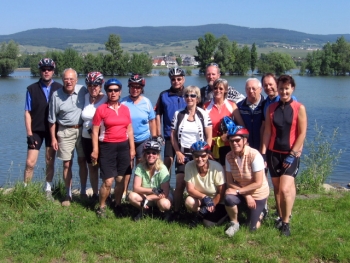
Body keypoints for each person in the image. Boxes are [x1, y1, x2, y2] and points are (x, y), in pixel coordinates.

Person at [261, 75, 307, 236]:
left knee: (286, 188)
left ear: (292, 89)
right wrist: (263, 153)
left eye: (286, 88)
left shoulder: (299, 108)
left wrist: (293, 154)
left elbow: (302, 133)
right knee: (278, 189)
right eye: (281, 88)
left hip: (290, 154)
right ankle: (280, 217)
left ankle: (286, 223)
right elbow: (267, 132)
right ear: (278, 89)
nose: (283, 91)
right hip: (273, 154)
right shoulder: (271, 108)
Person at [91, 78, 135, 218]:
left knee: (121, 179)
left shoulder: (125, 109)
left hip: (123, 147)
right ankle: (102, 206)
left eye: (116, 90)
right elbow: (95, 131)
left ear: (120, 92)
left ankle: (117, 204)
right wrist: (95, 150)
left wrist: (132, 149)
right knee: (108, 181)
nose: (113, 93)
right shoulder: (101, 109)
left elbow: (129, 130)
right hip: (107, 147)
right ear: (106, 92)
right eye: (110, 90)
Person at [171, 85, 212, 219]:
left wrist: (206, 153)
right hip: (183, 154)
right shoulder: (178, 114)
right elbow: (173, 135)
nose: (189, 98)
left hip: (199, 154)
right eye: (187, 95)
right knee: (180, 183)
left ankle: (199, 211)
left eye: (193, 95)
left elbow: (209, 136)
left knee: (198, 184)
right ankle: (176, 212)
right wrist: (177, 152)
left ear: (198, 98)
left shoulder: (203, 114)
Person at [24, 58, 62, 200]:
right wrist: (29, 134)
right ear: (40, 71)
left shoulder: (59, 87)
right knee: (30, 162)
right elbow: (27, 112)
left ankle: (47, 189)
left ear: (53, 71)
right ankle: (26, 190)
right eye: (44, 69)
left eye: (49, 69)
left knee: (49, 160)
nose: (46, 72)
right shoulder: (31, 89)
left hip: (53, 131)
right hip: (36, 131)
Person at [48, 68, 88, 206]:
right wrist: (53, 138)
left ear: (76, 80)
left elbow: (96, 96)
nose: (69, 81)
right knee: (66, 164)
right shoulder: (56, 95)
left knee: (83, 161)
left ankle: (83, 192)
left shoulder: (83, 90)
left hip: (82, 131)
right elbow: (52, 120)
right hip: (64, 132)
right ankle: (68, 194)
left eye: (71, 79)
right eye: (66, 79)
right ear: (62, 80)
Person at [224, 126, 269, 237]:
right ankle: (234, 223)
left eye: (237, 140)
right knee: (228, 197)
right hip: (242, 191)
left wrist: (240, 192)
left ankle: (262, 211)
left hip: (258, 193)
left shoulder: (255, 155)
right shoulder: (228, 156)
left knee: (252, 229)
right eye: (231, 141)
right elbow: (230, 182)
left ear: (245, 140)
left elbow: (258, 183)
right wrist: (247, 195)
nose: (234, 143)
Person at [120, 74, 157, 198]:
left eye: (138, 87)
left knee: (141, 166)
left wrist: (155, 138)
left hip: (143, 139)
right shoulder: (123, 102)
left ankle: (140, 192)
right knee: (127, 166)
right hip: (126, 139)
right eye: (132, 86)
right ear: (129, 87)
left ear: (142, 88)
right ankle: (124, 192)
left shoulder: (146, 102)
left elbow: (152, 121)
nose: (135, 89)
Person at [203, 78, 244, 167]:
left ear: (225, 90)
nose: (218, 90)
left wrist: (229, 135)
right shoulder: (206, 106)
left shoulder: (232, 105)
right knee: (212, 174)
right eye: (215, 88)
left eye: (221, 88)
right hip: (211, 145)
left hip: (227, 144)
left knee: (226, 174)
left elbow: (241, 126)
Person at [184, 141, 227, 227]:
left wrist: (212, 204)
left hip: (217, 200)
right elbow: (190, 189)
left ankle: (226, 215)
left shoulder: (216, 167)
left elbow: (221, 192)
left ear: (208, 155)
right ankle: (200, 214)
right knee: (189, 201)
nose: (200, 159)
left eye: (203, 156)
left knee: (209, 224)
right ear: (192, 156)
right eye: (196, 156)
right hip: (202, 199)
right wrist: (205, 197)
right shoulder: (189, 165)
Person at [128, 139, 172, 221]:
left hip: (159, 197)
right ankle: (145, 211)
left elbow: (165, 193)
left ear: (158, 155)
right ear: (144, 154)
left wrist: (148, 198)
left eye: (154, 153)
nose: (150, 155)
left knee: (165, 204)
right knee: (131, 196)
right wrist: (153, 190)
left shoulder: (163, 169)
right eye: (148, 152)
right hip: (149, 195)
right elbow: (136, 188)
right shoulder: (140, 167)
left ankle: (164, 212)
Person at [81, 72, 107, 202]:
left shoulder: (106, 99)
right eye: (90, 85)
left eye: (96, 85)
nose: (93, 87)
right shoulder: (84, 97)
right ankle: (95, 193)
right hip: (86, 138)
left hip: (101, 138)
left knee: (104, 167)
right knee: (92, 167)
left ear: (101, 85)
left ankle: (105, 194)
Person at [155, 67, 187, 171]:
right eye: (173, 79)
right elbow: (158, 114)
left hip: (186, 135)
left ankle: (183, 186)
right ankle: (164, 186)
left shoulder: (189, 95)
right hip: (170, 134)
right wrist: (159, 134)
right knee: (167, 162)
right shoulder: (164, 95)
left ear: (183, 79)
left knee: (184, 163)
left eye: (179, 79)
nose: (176, 81)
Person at [237, 78, 265, 150]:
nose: (250, 91)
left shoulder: (266, 105)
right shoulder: (239, 107)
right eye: (248, 89)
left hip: (263, 146)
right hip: (246, 146)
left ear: (260, 89)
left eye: (253, 88)